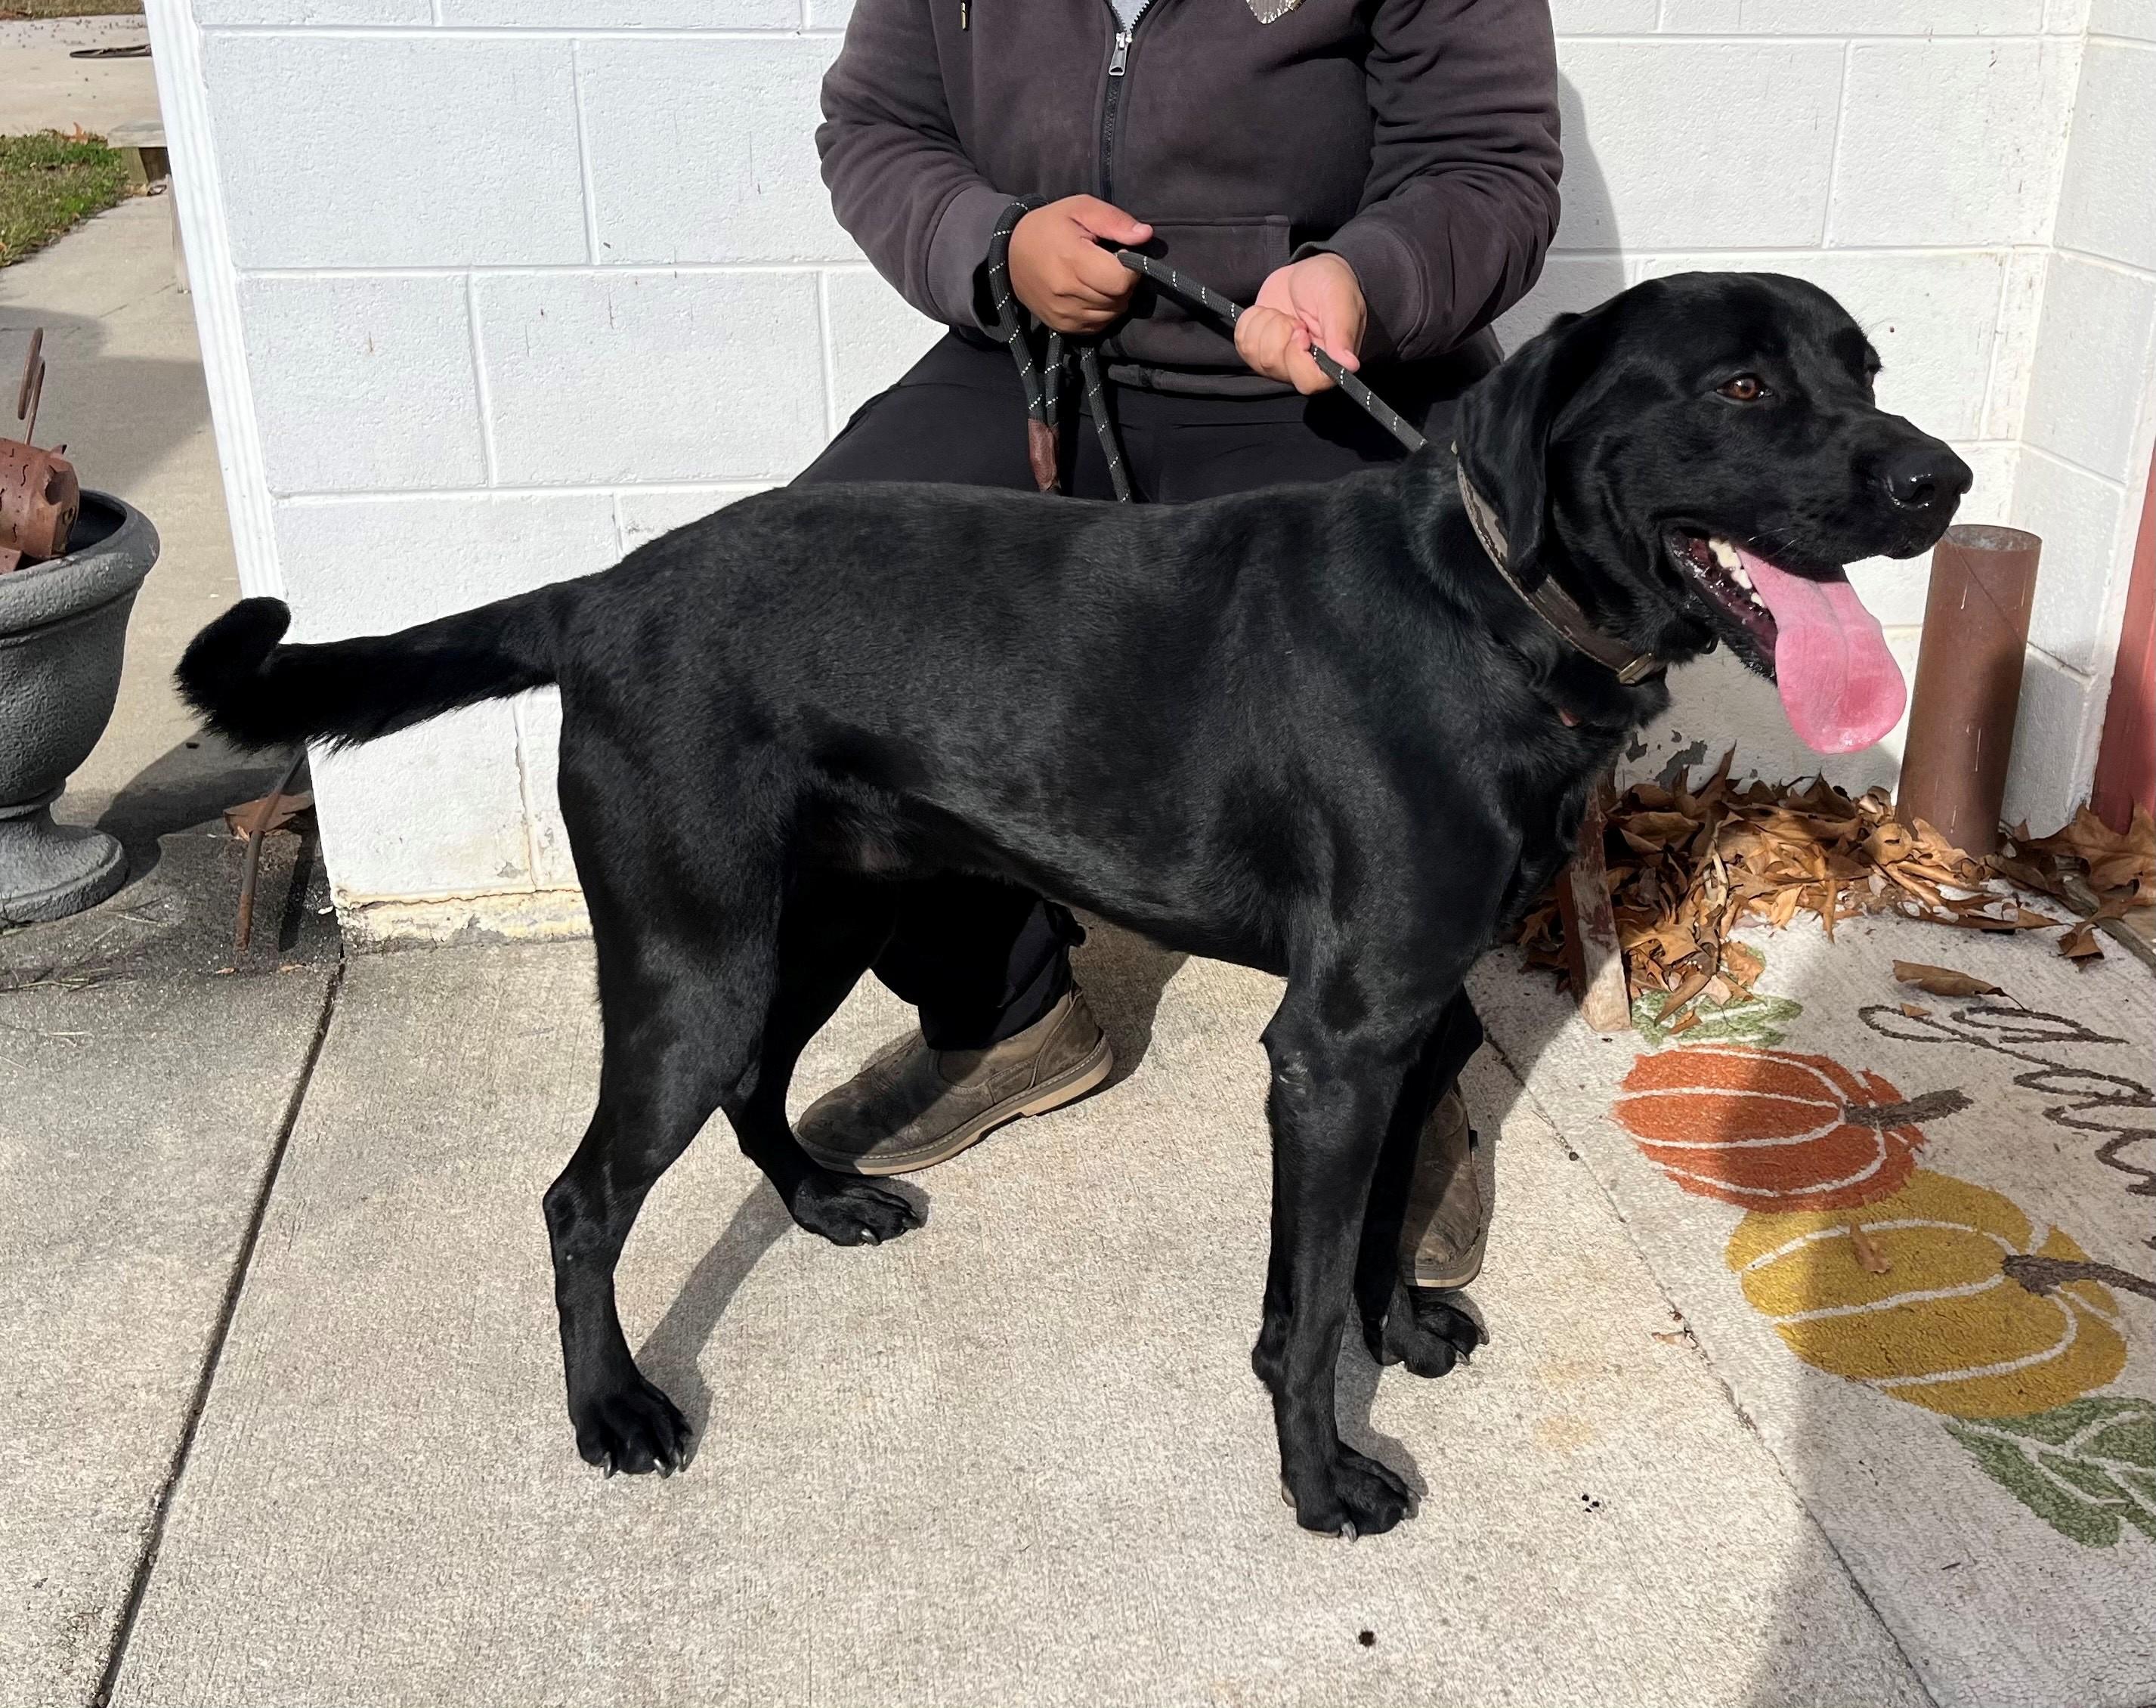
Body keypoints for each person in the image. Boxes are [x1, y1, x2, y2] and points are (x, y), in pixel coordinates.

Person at [789, 0, 1561, 1292]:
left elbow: (1491, 167)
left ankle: (1402, 1074)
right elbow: (877, 123)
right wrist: (993, 243)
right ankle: (1001, 1015)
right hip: (1028, 359)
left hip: (1324, 366)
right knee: (817, 634)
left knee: (1407, 724)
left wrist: (1361, 278)